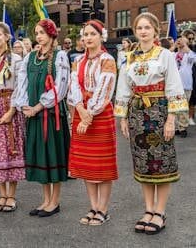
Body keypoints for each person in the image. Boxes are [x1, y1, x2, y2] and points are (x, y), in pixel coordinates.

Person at [115, 12, 187, 235]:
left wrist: (171, 119)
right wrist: (123, 116)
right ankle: (148, 209)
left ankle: (160, 212)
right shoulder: (130, 57)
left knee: (161, 162)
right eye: (139, 28)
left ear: (156, 31)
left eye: (147, 28)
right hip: (137, 112)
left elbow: (174, 86)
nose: (143, 32)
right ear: (135, 32)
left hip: (159, 112)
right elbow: (124, 86)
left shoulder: (165, 55)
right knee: (143, 162)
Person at [67, 20, 118, 226]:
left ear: (101, 36)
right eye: (85, 34)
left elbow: (105, 89)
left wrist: (90, 114)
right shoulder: (78, 60)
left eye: (92, 34)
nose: (88, 38)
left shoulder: (108, 60)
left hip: (100, 114)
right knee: (87, 165)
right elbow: (73, 86)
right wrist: (80, 109)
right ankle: (93, 206)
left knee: (102, 165)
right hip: (82, 113)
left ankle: (103, 210)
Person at [19, 19, 70, 218]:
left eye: (41, 32)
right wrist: (24, 106)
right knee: (40, 156)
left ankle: (54, 202)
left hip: (50, 115)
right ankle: (45, 199)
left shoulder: (60, 56)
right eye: (36, 33)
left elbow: (61, 87)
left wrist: (38, 107)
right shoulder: (31, 57)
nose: (38, 36)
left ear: (51, 35)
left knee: (52, 156)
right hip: (33, 114)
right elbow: (22, 83)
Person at [0, 22, 26, 213]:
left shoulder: (16, 60)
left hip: (10, 106)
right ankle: (1, 194)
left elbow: (19, 86)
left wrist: (12, 111)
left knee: (11, 150)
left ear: (7, 37)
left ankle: (12, 195)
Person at [175, 37, 196, 137]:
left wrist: (184, 45)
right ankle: (176, 127)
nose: (180, 42)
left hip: (186, 84)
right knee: (174, 107)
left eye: (182, 41)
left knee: (183, 106)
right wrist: (175, 46)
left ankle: (183, 127)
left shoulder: (189, 55)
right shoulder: (173, 55)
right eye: (179, 40)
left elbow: (194, 58)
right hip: (174, 85)